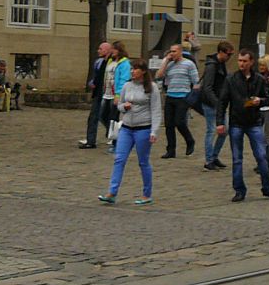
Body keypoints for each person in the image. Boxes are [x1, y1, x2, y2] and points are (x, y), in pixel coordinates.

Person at [215, 49, 269, 202]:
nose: (242, 64)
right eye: (240, 61)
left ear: (251, 62)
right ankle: (239, 190)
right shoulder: (231, 79)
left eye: (245, 61)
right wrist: (219, 122)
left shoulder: (258, 79)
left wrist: (260, 101)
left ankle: (267, 188)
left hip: (254, 122)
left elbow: (268, 98)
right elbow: (222, 102)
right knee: (237, 158)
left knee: (262, 156)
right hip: (236, 122)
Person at [98, 58, 160, 206]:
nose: (132, 71)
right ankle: (112, 192)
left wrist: (154, 131)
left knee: (143, 161)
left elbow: (156, 111)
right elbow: (118, 105)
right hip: (126, 128)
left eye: (136, 69)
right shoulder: (127, 86)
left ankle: (147, 194)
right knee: (119, 159)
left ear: (143, 71)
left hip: (143, 129)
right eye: (132, 69)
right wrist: (123, 107)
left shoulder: (152, 88)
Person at [155, 44, 198, 159]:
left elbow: (196, 81)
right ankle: (171, 150)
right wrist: (165, 62)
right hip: (170, 95)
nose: (172, 53)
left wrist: (192, 97)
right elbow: (159, 76)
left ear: (180, 52)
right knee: (169, 125)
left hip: (183, 96)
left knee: (179, 122)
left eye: (174, 51)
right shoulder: (169, 64)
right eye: (170, 51)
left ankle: (189, 140)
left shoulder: (189, 64)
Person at [201, 41, 234, 170]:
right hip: (210, 103)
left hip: (218, 103)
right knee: (212, 130)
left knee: (224, 131)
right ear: (221, 52)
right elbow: (207, 88)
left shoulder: (221, 64)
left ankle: (214, 156)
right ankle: (209, 160)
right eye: (228, 54)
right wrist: (217, 103)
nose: (229, 57)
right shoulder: (212, 66)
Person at [80, 42, 112, 147]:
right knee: (94, 116)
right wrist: (93, 83)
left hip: (108, 93)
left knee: (103, 116)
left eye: (101, 49)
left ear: (107, 50)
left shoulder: (111, 63)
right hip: (99, 92)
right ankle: (91, 140)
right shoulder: (99, 62)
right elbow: (98, 76)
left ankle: (114, 135)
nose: (98, 51)